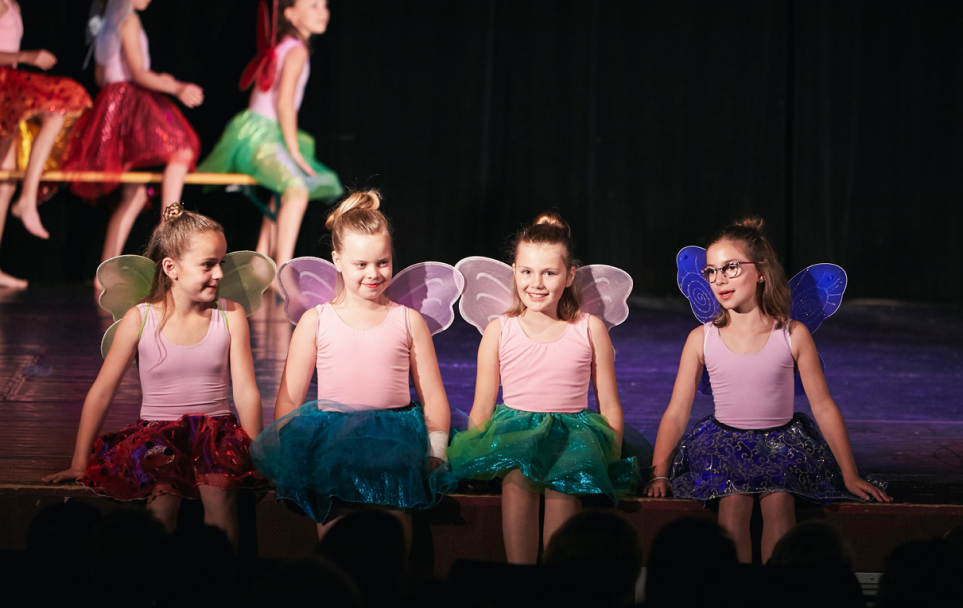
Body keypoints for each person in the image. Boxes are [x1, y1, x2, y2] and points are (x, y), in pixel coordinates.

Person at [645, 218, 890, 563]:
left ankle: (777, 591)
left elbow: (823, 407)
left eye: (730, 268)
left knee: (779, 502)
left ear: (761, 271)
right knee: (732, 504)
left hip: (782, 443)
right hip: (724, 442)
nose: (719, 279)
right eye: (711, 271)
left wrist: (849, 473)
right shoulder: (701, 338)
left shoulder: (793, 334)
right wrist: (659, 472)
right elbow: (676, 411)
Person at [43, 205, 265, 548]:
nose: (219, 273)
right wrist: (77, 461)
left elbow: (247, 392)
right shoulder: (141, 318)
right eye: (208, 264)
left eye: (221, 262)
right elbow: (103, 391)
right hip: (159, 432)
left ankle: (223, 584)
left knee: (220, 501)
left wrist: (256, 454)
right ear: (171, 268)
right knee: (161, 503)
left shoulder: (230, 314)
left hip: (215, 433)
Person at [250, 190, 454, 542]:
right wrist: (290, 453)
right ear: (337, 260)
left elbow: (433, 395)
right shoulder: (316, 321)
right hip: (332, 438)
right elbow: (289, 398)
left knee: (394, 524)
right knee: (335, 528)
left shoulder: (408, 321)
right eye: (361, 264)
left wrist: (436, 450)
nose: (373, 274)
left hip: (394, 437)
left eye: (383, 262)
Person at [447, 213, 640, 564]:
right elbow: (483, 404)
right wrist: (472, 457)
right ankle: (521, 581)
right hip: (517, 432)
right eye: (526, 271)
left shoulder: (589, 328)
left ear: (569, 276)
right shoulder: (500, 330)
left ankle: (556, 584)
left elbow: (609, 403)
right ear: (514, 272)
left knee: (564, 488)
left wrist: (609, 457)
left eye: (549, 273)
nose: (536, 283)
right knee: (519, 476)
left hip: (574, 434)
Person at [197, 0, 343, 290]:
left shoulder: (285, 46)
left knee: (285, 188)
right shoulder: (297, 50)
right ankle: (281, 270)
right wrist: (294, 151)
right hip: (260, 137)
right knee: (297, 190)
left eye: (324, 5)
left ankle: (261, 261)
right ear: (289, 13)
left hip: (254, 133)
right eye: (313, 5)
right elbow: (285, 104)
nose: (323, 11)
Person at [61, 0, 202, 288]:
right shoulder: (129, 20)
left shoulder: (107, 21)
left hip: (110, 106)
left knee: (134, 195)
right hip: (128, 102)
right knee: (181, 147)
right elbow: (138, 73)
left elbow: (102, 76)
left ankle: (104, 272)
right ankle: (169, 218)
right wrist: (176, 87)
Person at [0, 0, 91, 285]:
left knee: (5, 181)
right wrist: (27, 55)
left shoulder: (13, 5)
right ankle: (26, 199)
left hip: (9, 91)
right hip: (5, 86)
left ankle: (26, 197)